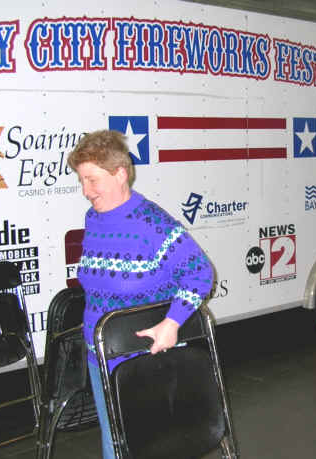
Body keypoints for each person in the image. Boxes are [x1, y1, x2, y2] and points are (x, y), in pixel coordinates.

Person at [67, 130, 214, 459]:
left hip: (143, 363)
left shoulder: (154, 224)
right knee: (114, 446)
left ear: (120, 173)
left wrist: (172, 322)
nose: (85, 191)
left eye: (92, 180)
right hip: (101, 358)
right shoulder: (94, 219)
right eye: (81, 181)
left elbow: (200, 273)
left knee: (151, 449)